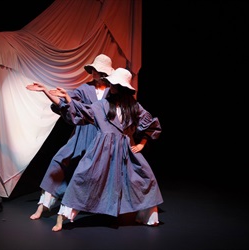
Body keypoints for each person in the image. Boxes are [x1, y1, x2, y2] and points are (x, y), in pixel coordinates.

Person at [48, 67, 163, 231]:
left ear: (122, 88)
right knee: (84, 178)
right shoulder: (102, 105)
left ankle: (148, 217)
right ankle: (64, 216)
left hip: (124, 150)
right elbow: (83, 111)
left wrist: (141, 144)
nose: (111, 86)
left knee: (144, 178)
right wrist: (67, 98)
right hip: (102, 150)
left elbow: (151, 124)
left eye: (114, 84)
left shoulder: (133, 106)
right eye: (111, 83)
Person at [25, 54, 114, 220]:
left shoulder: (112, 91)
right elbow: (65, 102)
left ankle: (77, 209)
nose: (94, 73)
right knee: (59, 161)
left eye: (98, 71)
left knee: (92, 172)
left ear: (105, 73)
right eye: (93, 70)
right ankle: (43, 205)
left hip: (102, 137)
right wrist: (45, 90)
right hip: (83, 132)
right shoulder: (85, 89)